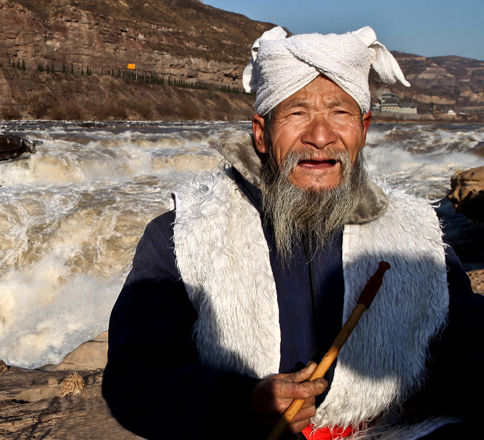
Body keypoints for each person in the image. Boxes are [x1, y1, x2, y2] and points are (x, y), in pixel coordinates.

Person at [102, 26, 484, 439]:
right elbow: (133, 382)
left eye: (340, 113)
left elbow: (464, 348)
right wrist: (241, 403)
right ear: (262, 133)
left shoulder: (416, 232)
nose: (320, 137)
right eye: (297, 113)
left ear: (364, 129)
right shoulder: (183, 235)